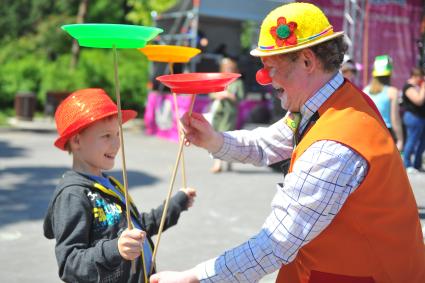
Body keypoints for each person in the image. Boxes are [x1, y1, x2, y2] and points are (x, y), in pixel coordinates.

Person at [150, 3, 425, 283]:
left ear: (307, 61)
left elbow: (277, 243)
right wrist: (214, 140)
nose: (266, 79)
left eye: (272, 67)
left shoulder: (334, 146)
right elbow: (267, 143)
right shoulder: (328, 103)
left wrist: (195, 277)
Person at [43, 88, 196, 283]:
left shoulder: (110, 183)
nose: (116, 143)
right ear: (77, 140)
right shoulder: (73, 195)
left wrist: (177, 203)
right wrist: (115, 249)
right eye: (106, 136)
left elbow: (139, 226)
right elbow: (70, 264)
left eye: (117, 134)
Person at [209, 57, 244, 173]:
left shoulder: (238, 83)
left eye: (231, 68)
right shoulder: (219, 81)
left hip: (229, 114)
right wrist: (218, 95)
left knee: (225, 136)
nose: (228, 70)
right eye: (226, 68)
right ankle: (222, 162)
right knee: (216, 136)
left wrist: (228, 96)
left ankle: (222, 163)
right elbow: (211, 95)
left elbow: (240, 97)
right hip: (218, 112)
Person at [363, 55, 404, 150]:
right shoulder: (392, 92)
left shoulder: (365, 90)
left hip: (368, 133)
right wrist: (400, 139)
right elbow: (395, 119)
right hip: (385, 133)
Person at [401, 67, 425, 172]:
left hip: (421, 117)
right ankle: (407, 164)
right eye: (420, 77)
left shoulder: (417, 86)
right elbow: (418, 100)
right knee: (412, 140)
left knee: (422, 142)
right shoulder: (408, 87)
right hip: (413, 117)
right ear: (415, 76)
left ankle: (417, 164)